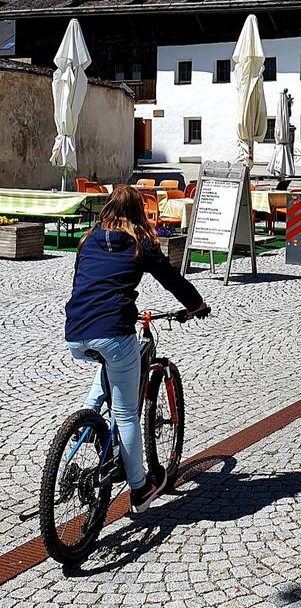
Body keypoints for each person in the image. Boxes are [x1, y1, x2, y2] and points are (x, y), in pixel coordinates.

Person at [65, 185, 210, 513]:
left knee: (109, 365)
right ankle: (140, 489)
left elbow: (84, 284)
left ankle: (86, 426)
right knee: (126, 412)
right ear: (137, 211)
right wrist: (197, 305)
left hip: (75, 332)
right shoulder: (139, 243)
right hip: (114, 331)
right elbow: (172, 280)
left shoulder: (88, 239)